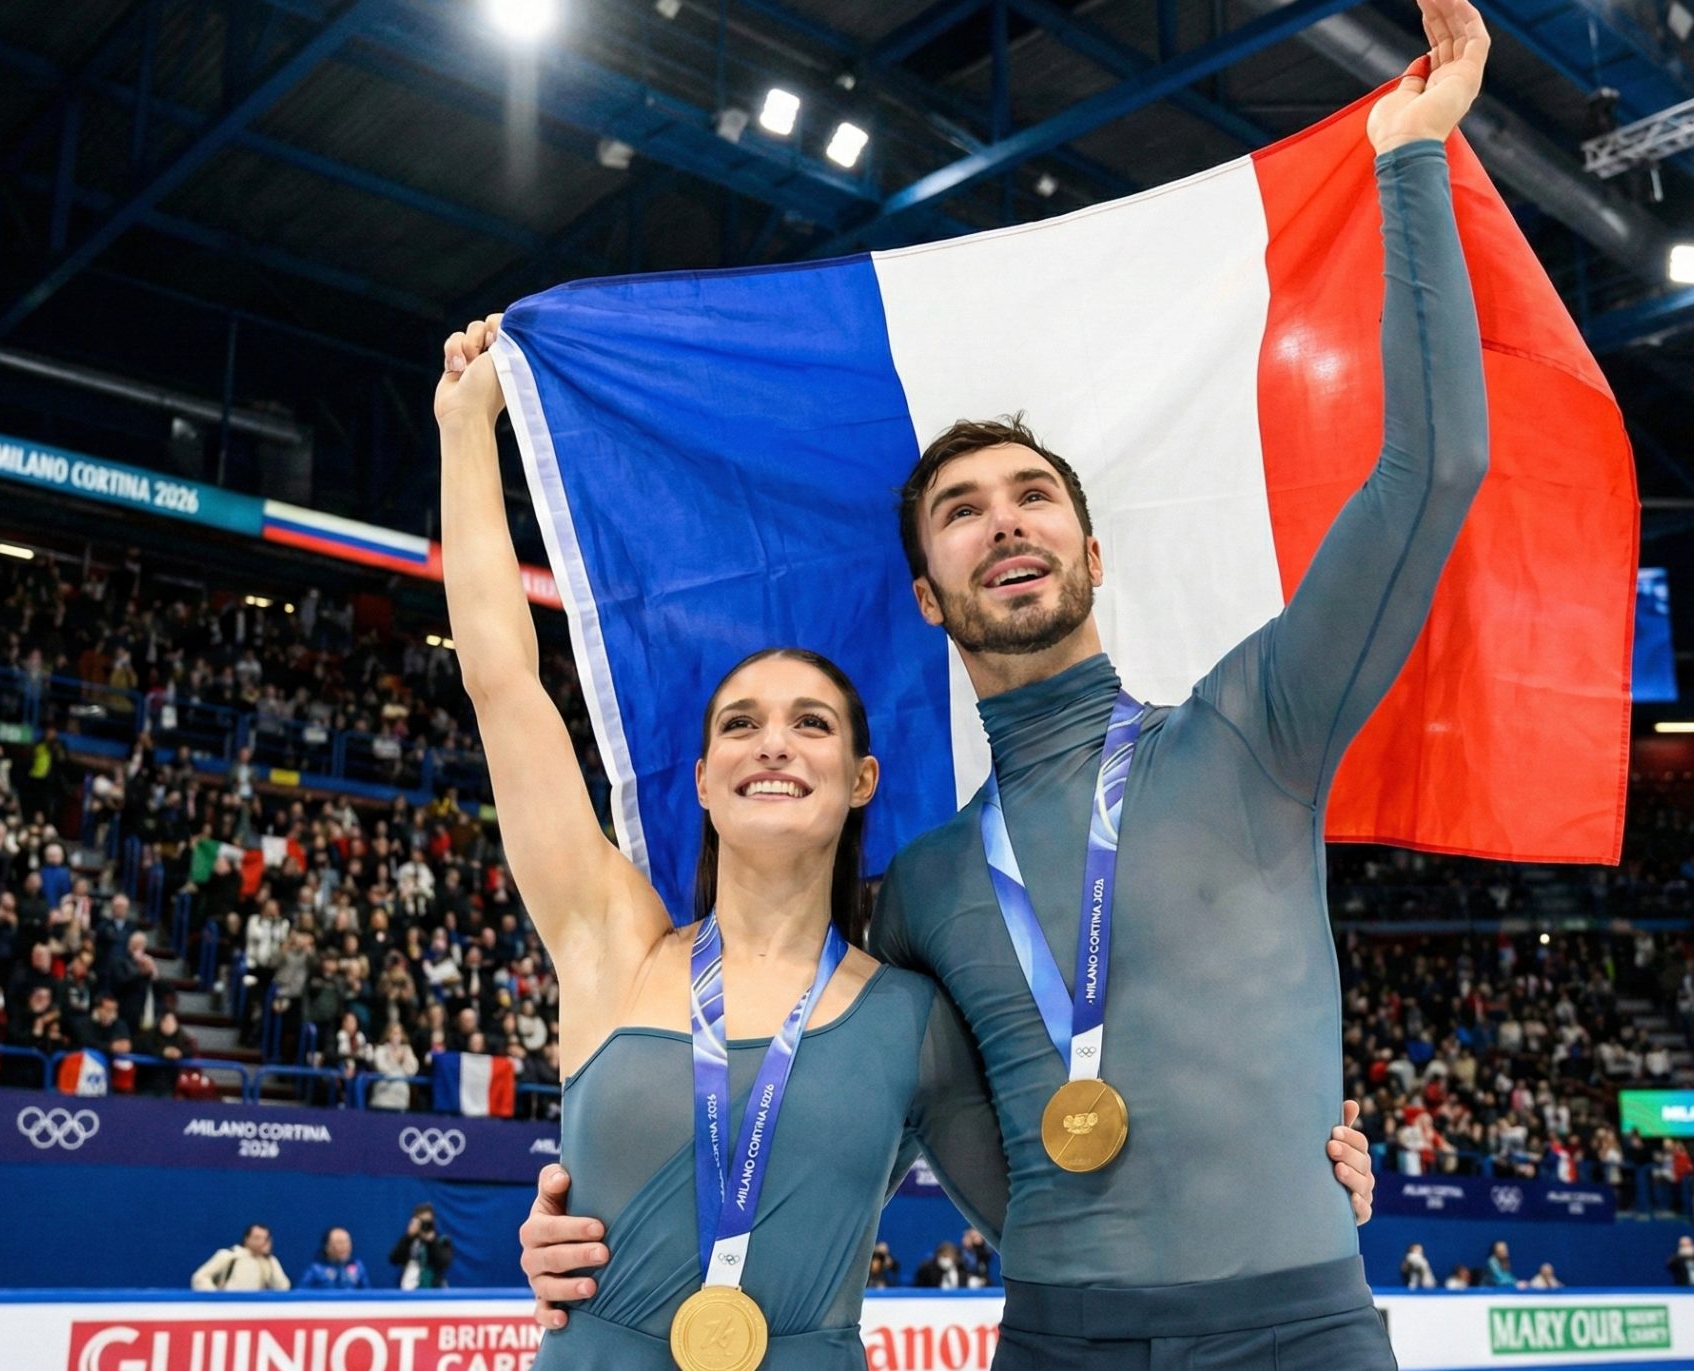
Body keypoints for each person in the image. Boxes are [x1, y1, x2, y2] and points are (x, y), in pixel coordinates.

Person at [519, 4, 1486, 1362]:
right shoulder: (919, 888)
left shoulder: (1253, 729)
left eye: (1034, 495)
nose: (1005, 521)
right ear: (929, 595)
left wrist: (1410, 158)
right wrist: (586, 1223)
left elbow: (1431, 473)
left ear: (1092, 551)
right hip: (1055, 1341)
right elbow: (824, 1115)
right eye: (962, 511)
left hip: (1299, 1330)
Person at [443, 314, 1379, 1365]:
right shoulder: (609, 942)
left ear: (861, 780)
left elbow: (1071, 1222)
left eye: (812, 723)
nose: (773, 743)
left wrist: (1290, 1184)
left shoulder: (908, 1013)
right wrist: (465, 429)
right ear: (701, 778)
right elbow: (501, 682)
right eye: (740, 723)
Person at [192, 1224, 290, 1291]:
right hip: (229, 1307)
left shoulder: (269, 1262)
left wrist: (270, 1259)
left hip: (256, 1309)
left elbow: (283, 1288)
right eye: (257, 1238)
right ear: (247, 1239)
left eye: (265, 1239)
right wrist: (218, 1297)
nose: (262, 1242)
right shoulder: (229, 1256)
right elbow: (199, 1278)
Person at [390, 1204, 455, 1290]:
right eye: (422, 1222)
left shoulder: (442, 1241)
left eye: (428, 1222)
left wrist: (431, 1242)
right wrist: (408, 1238)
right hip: (410, 1292)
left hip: (435, 1292)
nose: (425, 1226)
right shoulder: (409, 1241)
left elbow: (444, 1263)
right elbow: (394, 1259)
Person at [300, 1228, 370, 1289]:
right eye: (339, 1243)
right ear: (327, 1247)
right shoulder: (316, 1270)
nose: (344, 1246)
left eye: (346, 1242)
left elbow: (367, 1293)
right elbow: (301, 1294)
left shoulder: (357, 1266)